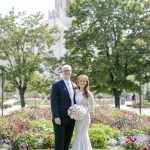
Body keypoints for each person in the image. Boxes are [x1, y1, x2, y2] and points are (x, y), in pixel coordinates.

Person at [51, 65, 76, 150]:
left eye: (68, 70)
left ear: (71, 72)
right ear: (62, 72)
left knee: (67, 142)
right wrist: (56, 116)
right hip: (60, 118)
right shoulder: (56, 85)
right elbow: (53, 102)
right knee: (59, 142)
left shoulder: (74, 85)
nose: (66, 72)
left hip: (71, 118)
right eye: (65, 70)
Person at [72, 75, 95, 150]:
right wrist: (73, 112)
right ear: (78, 82)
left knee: (83, 134)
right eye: (80, 81)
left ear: (86, 83)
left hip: (84, 117)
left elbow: (92, 106)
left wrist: (84, 112)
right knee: (77, 133)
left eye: (84, 81)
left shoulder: (88, 93)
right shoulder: (74, 92)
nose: (82, 82)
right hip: (76, 116)